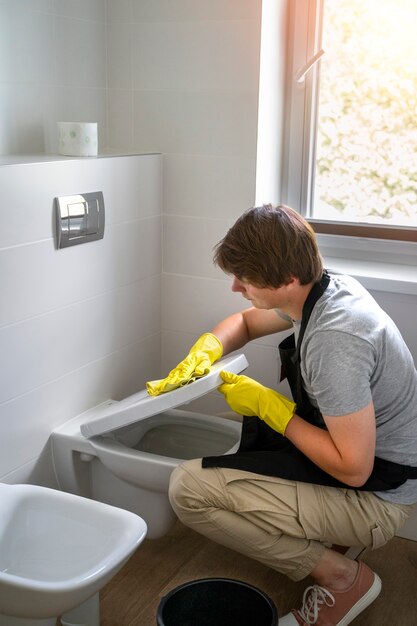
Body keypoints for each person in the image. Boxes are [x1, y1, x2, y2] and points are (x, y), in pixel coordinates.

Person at [147, 205, 417, 626]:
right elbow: (244, 323)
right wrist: (208, 348)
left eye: (246, 278)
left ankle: (344, 578)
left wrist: (272, 409)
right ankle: (332, 539)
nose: (236, 286)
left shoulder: (335, 340)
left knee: (187, 489)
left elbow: (354, 470)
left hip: (375, 499)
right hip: (375, 468)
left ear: (287, 278)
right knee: (248, 441)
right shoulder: (323, 288)